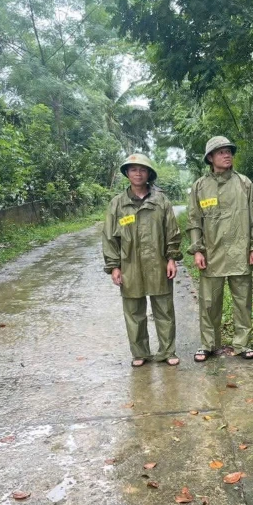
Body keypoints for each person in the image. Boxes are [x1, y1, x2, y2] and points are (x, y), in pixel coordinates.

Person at [187, 136, 253, 361]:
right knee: (209, 303)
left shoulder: (244, 183)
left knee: (243, 302)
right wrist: (198, 250)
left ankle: (242, 344)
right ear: (210, 158)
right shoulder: (200, 187)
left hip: (240, 252)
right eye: (220, 152)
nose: (227, 154)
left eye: (229, 151)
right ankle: (208, 344)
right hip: (212, 254)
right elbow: (194, 221)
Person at [103, 153, 182, 367]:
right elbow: (110, 236)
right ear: (127, 173)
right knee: (134, 311)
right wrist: (114, 267)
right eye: (133, 169)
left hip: (158, 262)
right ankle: (140, 353)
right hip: (130, 265)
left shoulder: (161, 201)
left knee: (164, 309)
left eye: (142, 169)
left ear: (149, 174)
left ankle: (167, 351)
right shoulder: (117, 204)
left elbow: (172, 232)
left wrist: (171, 258)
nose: (138, 173)